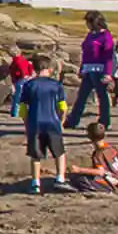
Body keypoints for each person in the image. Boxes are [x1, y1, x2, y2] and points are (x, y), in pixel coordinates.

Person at [19, 62, 70, 193]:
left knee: (35, 155)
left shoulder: (29, 85)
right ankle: (60, 179)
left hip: (35, 124)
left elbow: (23, 109)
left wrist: (26, 125)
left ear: (35, 69)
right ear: (49, 69)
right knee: (59, 153)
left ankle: (35, 183)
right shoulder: (56, 85)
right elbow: (63, 107)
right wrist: (62, 122)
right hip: (53, 123)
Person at [64, 11, 114, 134]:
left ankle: (104, 121)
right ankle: (73, 120)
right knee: (81, 96)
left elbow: (109, 55)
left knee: (102, 97)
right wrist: (82, 68)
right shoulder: (90, 35)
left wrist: (108, 73)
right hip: (88, 69)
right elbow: (85, 53)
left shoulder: (106, 36)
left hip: (99, 70)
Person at [66, 122, 118, 194]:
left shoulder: (98, 154)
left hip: (110, 182)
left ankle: (97, 191)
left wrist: (79, 169)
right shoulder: (111, 147)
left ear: (89, 136)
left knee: (78, 178)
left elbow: (100, 172)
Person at [7, 48, 35, 117]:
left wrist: (15, 80)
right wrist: (29, 75)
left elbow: (14, 71)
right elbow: (30, 68)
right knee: (26, 99)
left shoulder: (16, 61)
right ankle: (24, 113)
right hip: (27, 79)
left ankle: (15, 114)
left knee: (17, 99)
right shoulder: (24, 59)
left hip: (20, 80)